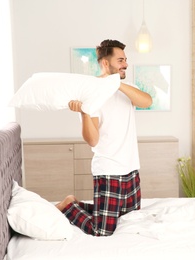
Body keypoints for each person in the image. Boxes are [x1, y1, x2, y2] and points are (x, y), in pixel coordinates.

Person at [56, 39, 152, 236]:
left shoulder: (127, 88)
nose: (125, 64)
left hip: (131, 168)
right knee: (102, 230)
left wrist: (115, 84)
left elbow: (147, 101)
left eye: (125, 59)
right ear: (105, 63)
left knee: (127, 220)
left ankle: (78, 204)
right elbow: (92, 140)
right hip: (108, 170)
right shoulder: (92, 93)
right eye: (120, 60)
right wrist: (83, 112)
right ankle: (68, 206)